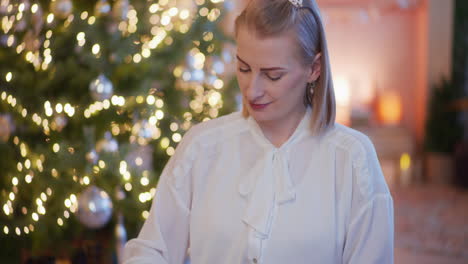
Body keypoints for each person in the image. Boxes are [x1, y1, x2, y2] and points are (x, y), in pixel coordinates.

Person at [123, 0, 394, 263]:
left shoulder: (352, 159)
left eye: (273, 75)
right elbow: (152, 250)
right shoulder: (201, 146)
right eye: (243, 68)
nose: (252, 90)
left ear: (314, 68)